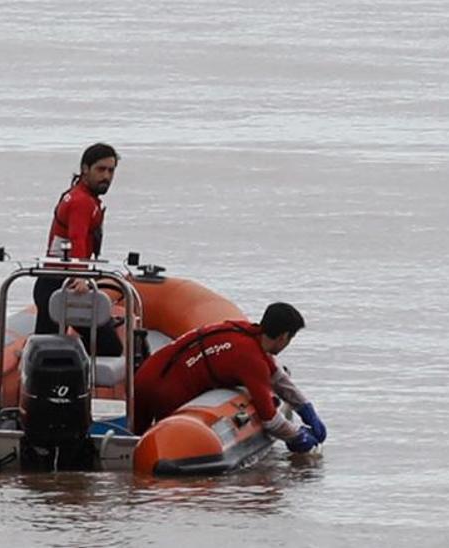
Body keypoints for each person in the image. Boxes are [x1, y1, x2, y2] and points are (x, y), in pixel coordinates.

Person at [133, 302, 327, 453]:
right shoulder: (252, 359)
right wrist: (297, 437)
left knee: (135, 441)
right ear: (284, 337)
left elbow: (278, 378)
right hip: (166, 391)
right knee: (160, 447)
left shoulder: (244, 332)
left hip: (145, 375)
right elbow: (270, 419)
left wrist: (306, 409)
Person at [32, 143, 124, 356]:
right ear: (85, 169)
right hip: (63, 284)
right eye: (101, 169)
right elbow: (77, 238)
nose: (107, 176)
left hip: (55, 282)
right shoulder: (82, 201)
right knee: (109, 347)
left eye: (111, 171)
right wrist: (80, 276)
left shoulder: (81, 196)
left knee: (47, 346)